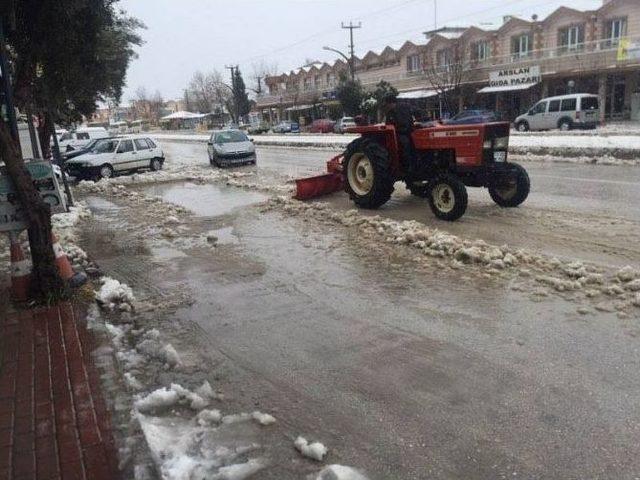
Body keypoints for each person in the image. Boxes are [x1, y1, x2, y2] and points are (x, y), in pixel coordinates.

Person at [382, 93, 415, 175]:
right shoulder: (391, 112)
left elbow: (416, 111)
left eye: (387, 105)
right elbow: (388, 125)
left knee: (408, 142)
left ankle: (412, 165)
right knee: (404, 143)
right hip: (400, 133)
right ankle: (407, 167)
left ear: (391, 103)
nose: (387, 107)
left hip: (407, 131)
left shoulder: (403, 108)